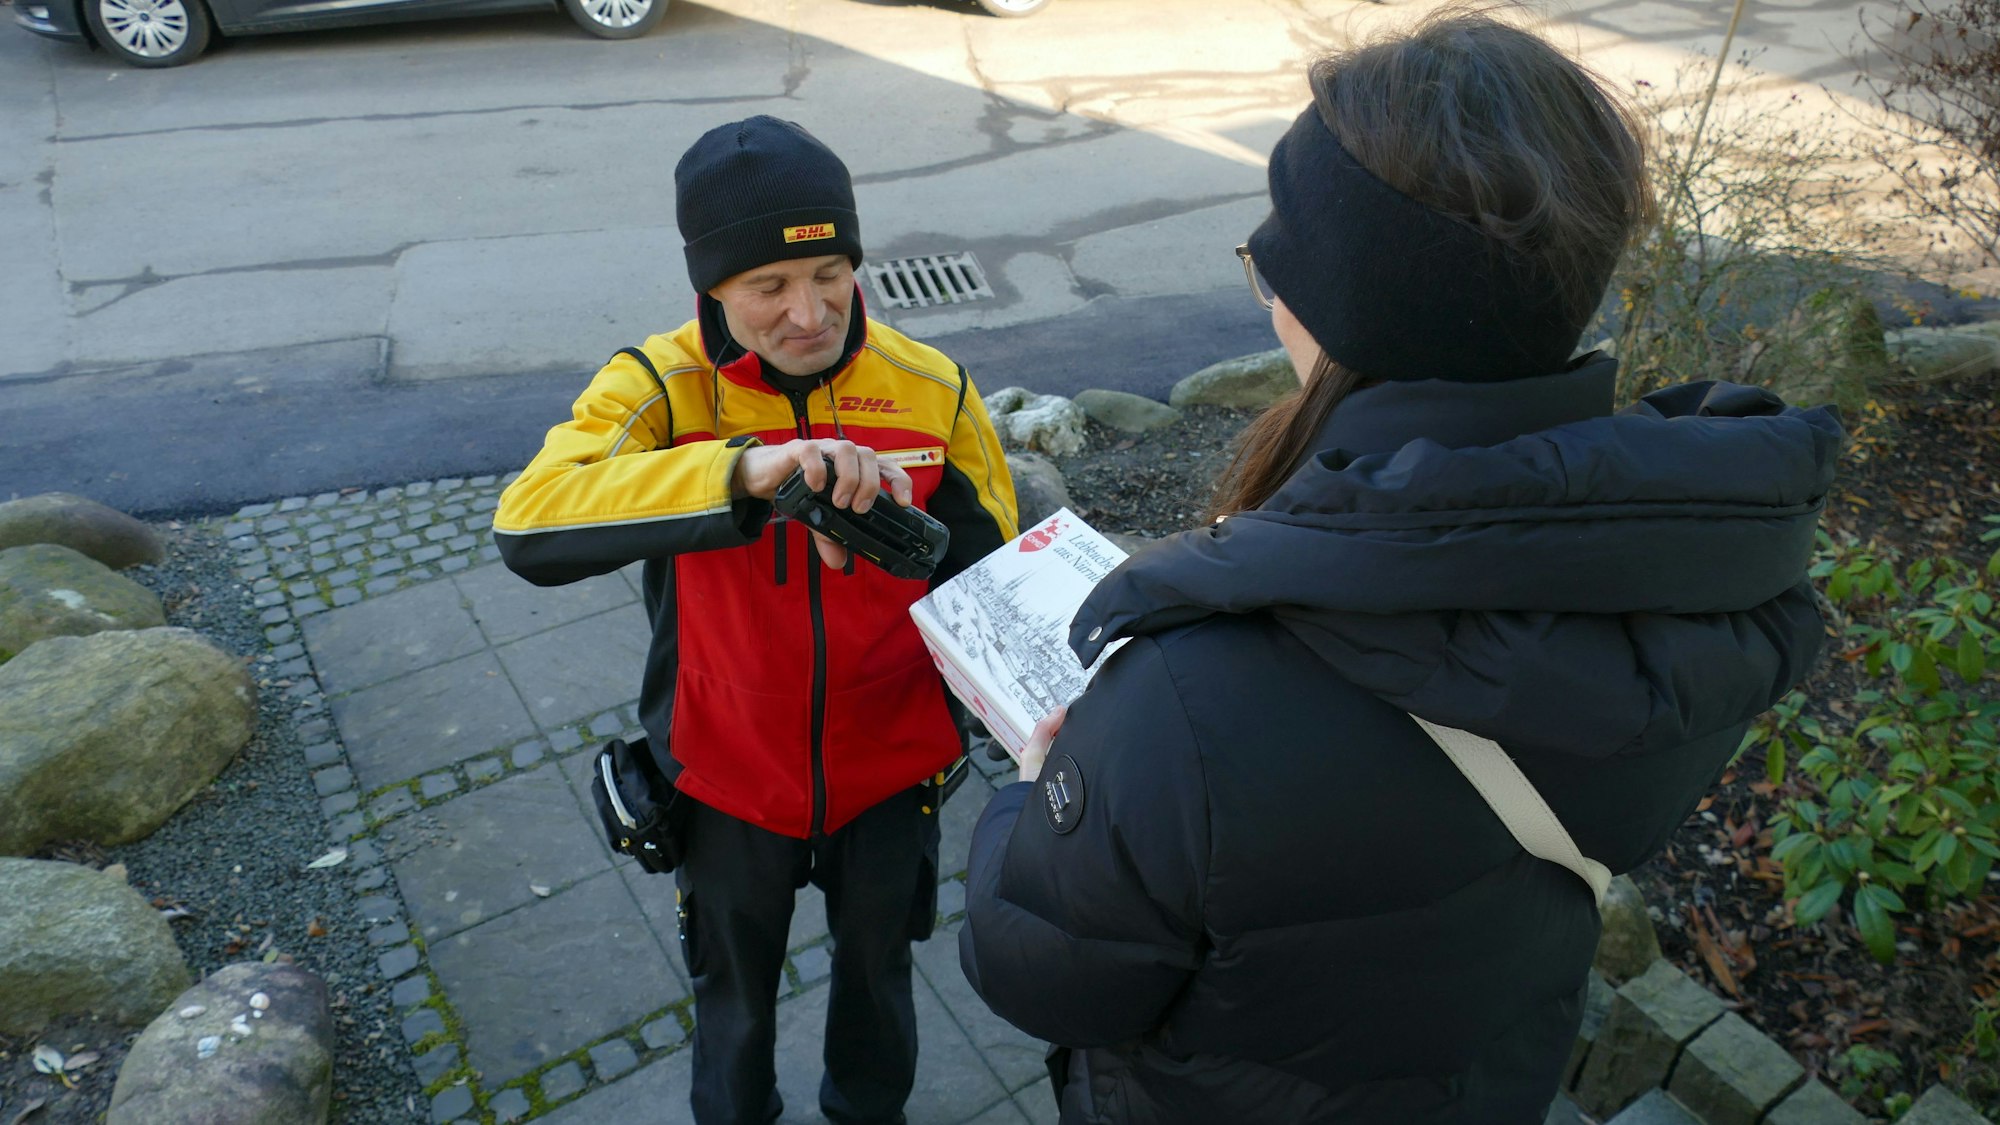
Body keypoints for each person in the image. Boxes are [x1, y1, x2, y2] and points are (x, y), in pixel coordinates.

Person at [958, 10, 1840, 1124]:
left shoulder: (1190, 699)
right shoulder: (1692, 574)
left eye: (1272, 255)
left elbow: (1047, 977)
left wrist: (1030, 807)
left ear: (1341, 303)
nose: (1265, 286)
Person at [494, 115, 1018, 1125]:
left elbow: (989, 574)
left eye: (827, 272)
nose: (808, 313)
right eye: (765, 289)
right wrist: (744, 473)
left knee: (880, 987)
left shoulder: (927, 386)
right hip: (727, 773)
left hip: (889, 765)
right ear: (711, 287)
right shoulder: (658, 386)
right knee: (732, 1005)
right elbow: (527, 523)